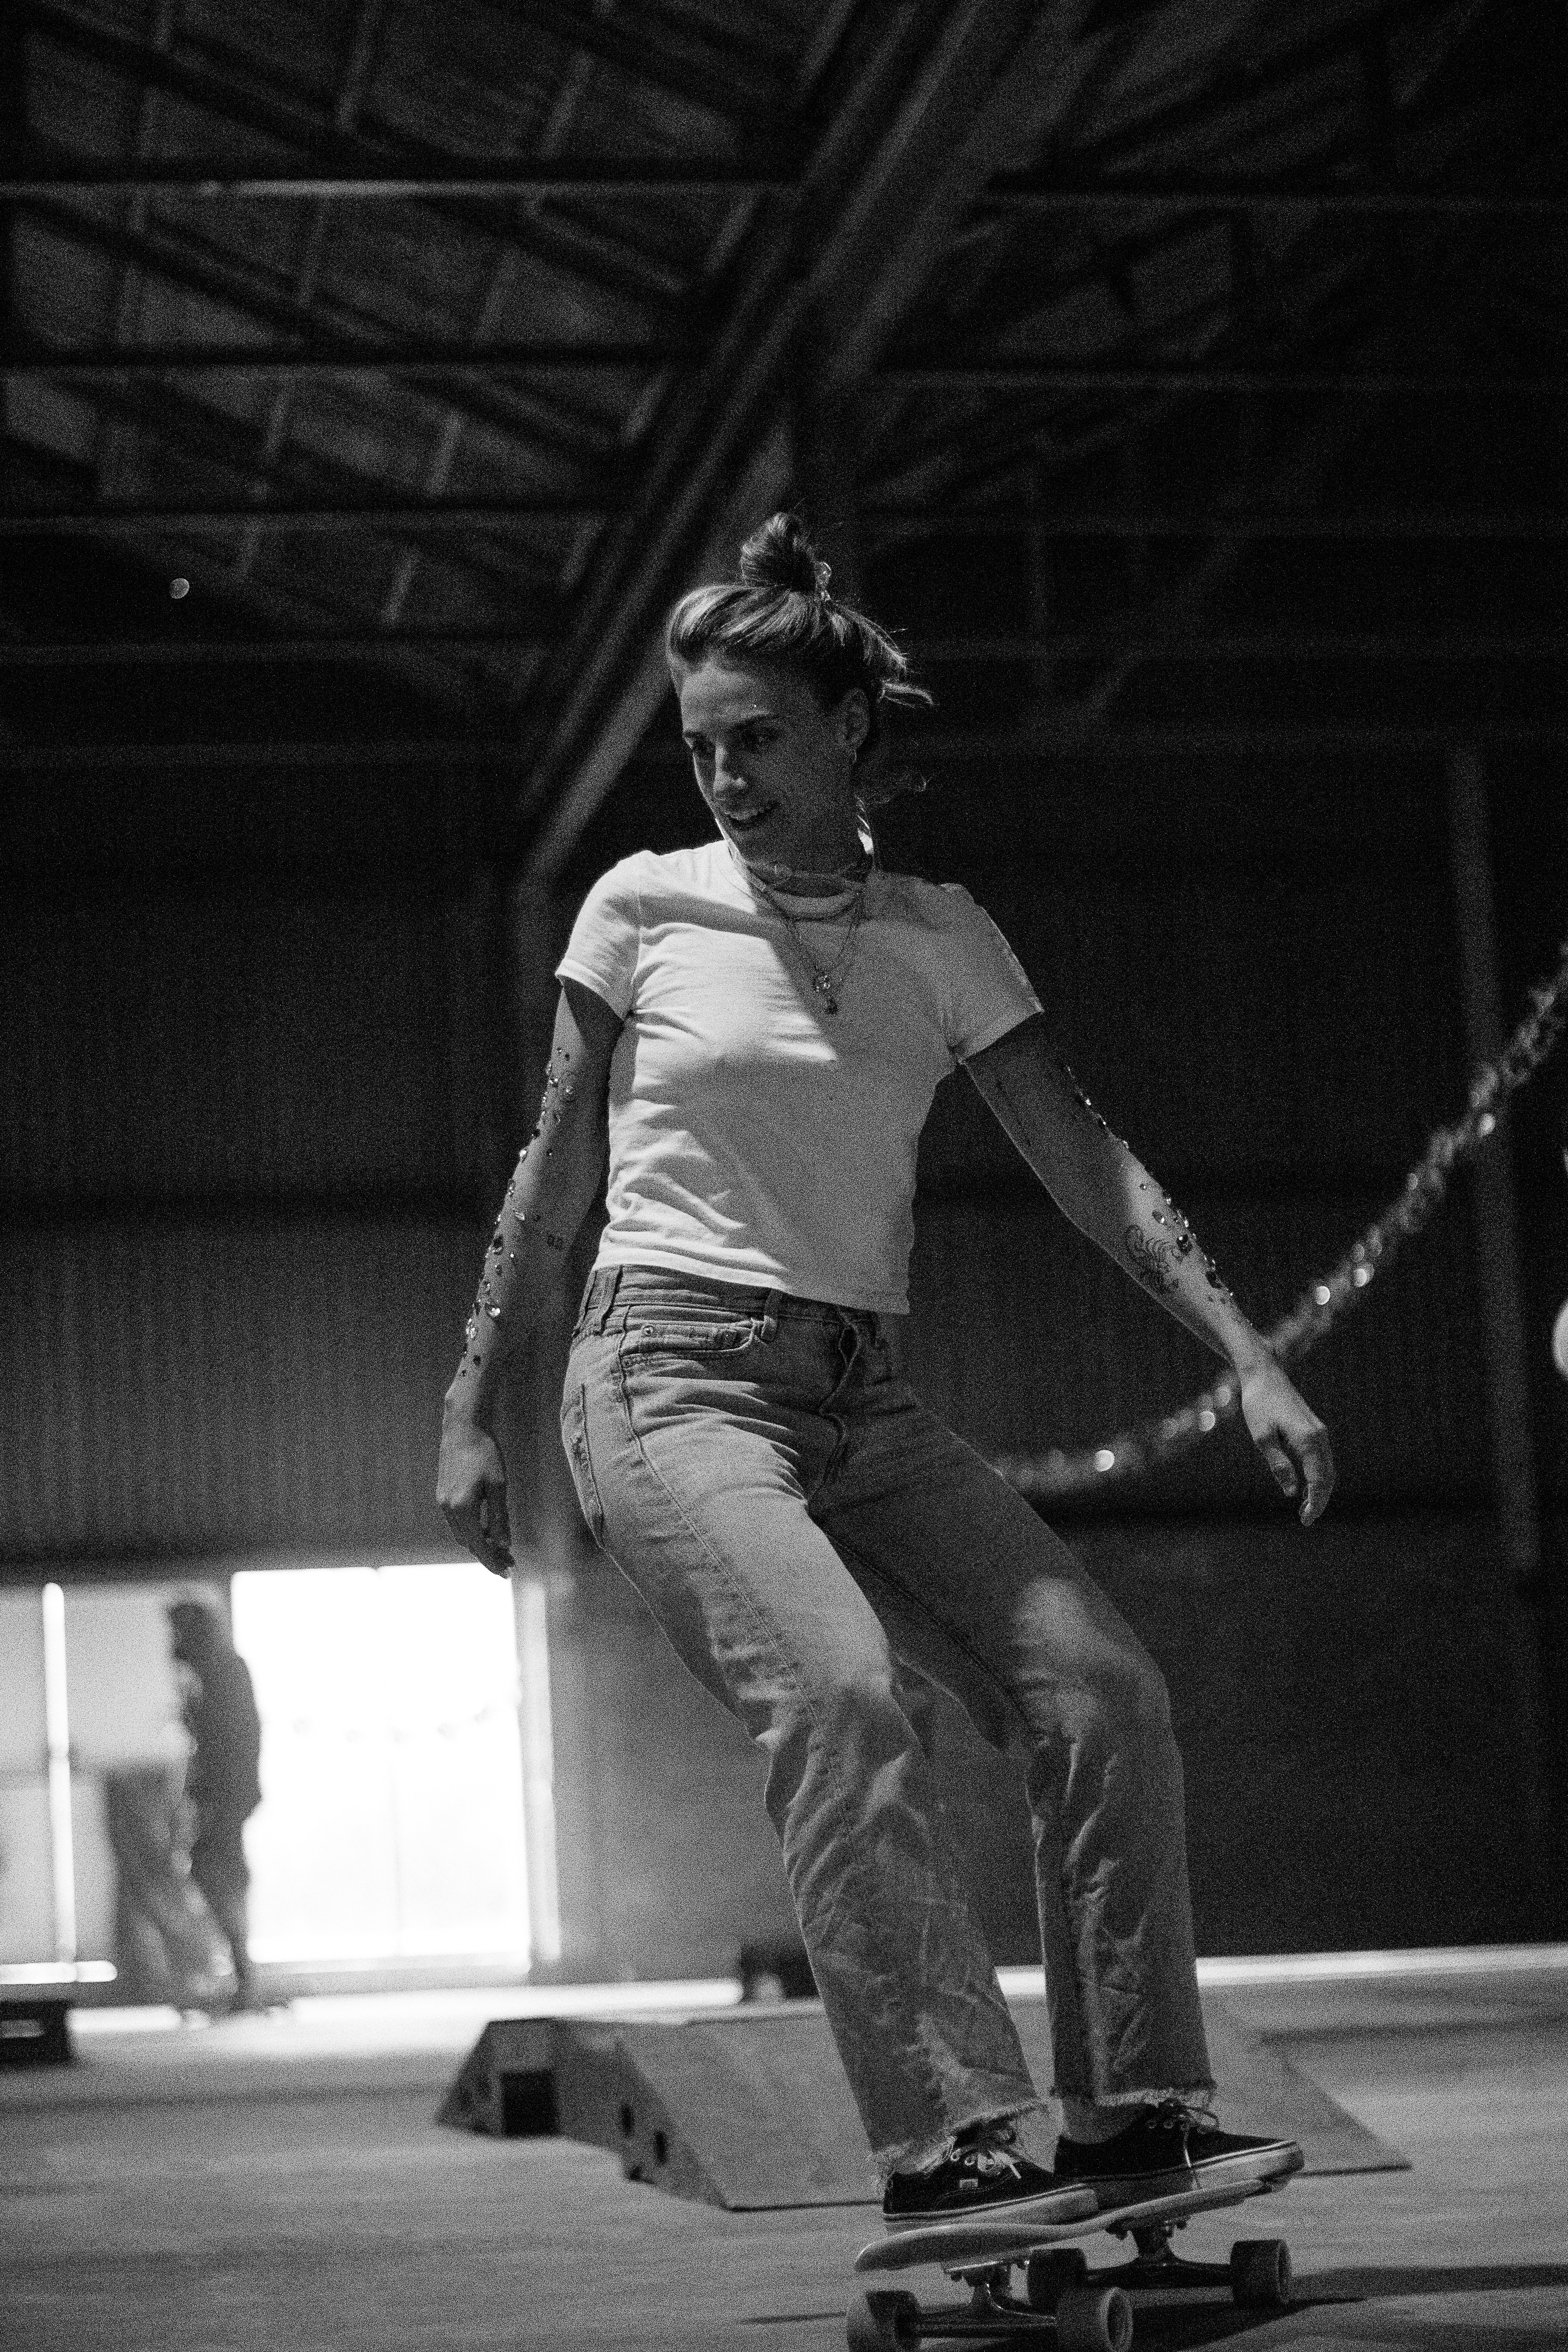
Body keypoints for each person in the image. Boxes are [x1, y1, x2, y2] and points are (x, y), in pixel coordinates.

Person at [436, 514, 1335, 2226]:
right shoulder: (642, 904)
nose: (724, 776)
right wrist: (470, 1404)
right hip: (664, 1381)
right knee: (845, 1697)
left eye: (757, 738)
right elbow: (554, 1172)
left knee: (1101, 1690)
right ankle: (947, 2139)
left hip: (856, 1398)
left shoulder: (940, 934)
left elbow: (1087, 1163)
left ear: (847, 727)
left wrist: (1250, 1357)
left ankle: (1128, 2114)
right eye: (700, 746)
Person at [167, 1595, 264, 2013]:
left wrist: (213, 1795)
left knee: (214, 1871)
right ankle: (240, 1976)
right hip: (224, 1792)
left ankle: (242, 1977)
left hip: (224, 1793)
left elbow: (228, 1739)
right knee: (215, 1870)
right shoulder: (215, 1671)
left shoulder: (221, 1672)